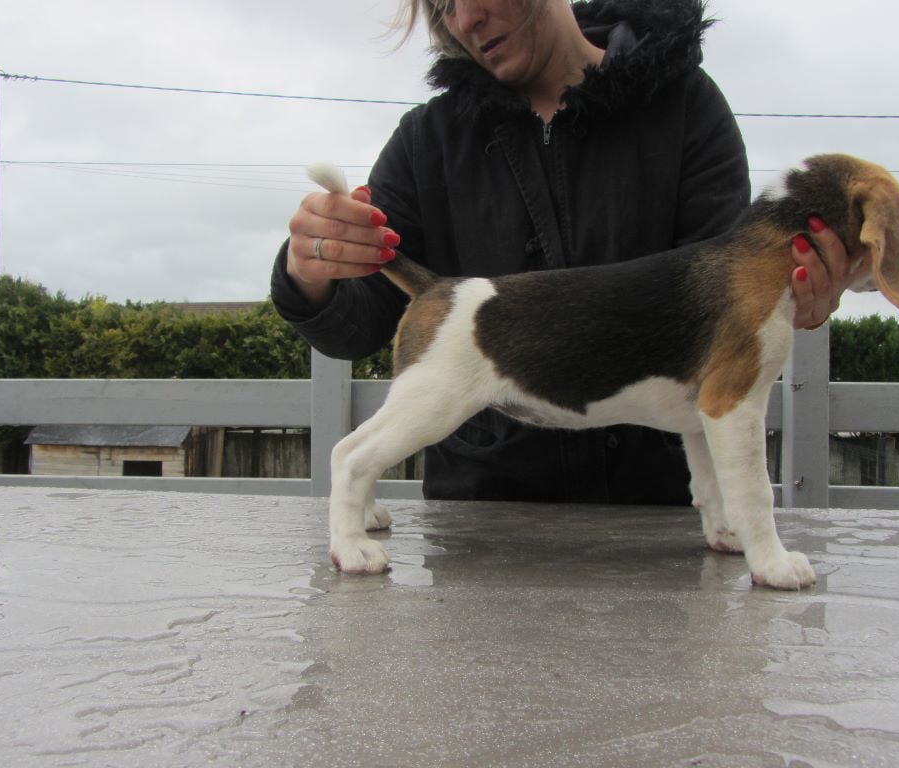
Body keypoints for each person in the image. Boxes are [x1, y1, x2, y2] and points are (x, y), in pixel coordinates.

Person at [270, 0, 850, 504]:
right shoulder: (427, 140)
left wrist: (787, 298)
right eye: (443, 4)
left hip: (655, 518)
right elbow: (359, 325)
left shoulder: (687, 106)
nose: (466, 19)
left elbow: (724, 302)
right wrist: (311, 272)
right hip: (482, 523)